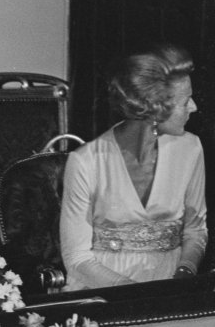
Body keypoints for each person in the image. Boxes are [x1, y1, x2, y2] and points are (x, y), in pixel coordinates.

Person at [60, 44, 207, 290]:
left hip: (170, 287)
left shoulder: (190, 149)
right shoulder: (86, 162)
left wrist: (185, 271)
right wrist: (135, 294)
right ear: (156, 108)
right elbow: (77, 258)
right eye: (185, 101)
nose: (194, 107)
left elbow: (195, 230)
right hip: (103, 291)